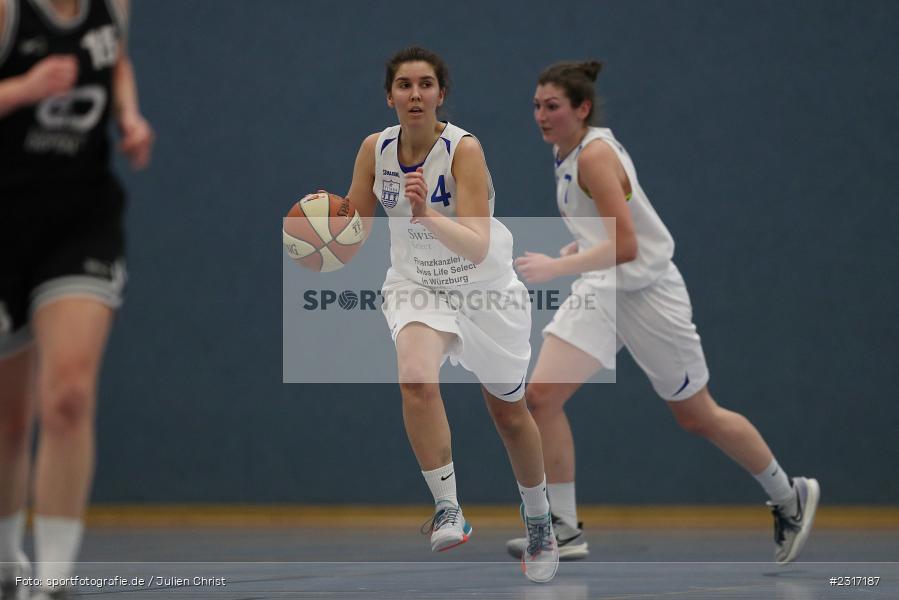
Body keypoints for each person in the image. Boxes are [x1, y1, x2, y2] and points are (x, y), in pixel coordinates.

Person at [506, 60, 818, 565]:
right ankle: (562, 527)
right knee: (540, 397)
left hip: (648, 294)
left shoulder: (595, 157)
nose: (541, 116)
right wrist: (577, 249)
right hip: (604, 289)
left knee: (697, 416)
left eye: (553, 107)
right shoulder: (566, 154)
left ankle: (789, 495)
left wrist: (556, 268)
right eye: (537, 106)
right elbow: (607, 234)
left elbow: (628, 245)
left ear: (581, 109)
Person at [342, 46, 557, 583]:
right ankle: (449, 508)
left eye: (426, 84)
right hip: (417, 285)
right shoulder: (375, 149)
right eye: (404, 85)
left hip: (484, 289)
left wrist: (426, 214)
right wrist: (320, 234)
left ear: (441, 94)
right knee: (415, 379)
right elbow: (354, 232)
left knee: (509, 414)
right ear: (388, 95)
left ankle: (540, 521)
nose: (415, 94)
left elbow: (479, 245)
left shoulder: (464, 150)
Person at [0, 0, 153, 598]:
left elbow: (114, 62)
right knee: (10, 420)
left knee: (66, 395)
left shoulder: (112, 7)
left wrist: (129, 116)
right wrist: (23, 88)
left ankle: (56, 578)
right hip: (5, 227)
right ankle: (7, 559)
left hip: (79, 224)